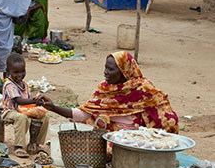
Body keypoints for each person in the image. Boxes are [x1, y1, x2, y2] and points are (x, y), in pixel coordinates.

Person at [38, 51, 179, 133]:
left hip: (137, 138)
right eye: (105, 68)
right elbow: (83, 114)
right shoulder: (105, 90)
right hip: (112, 133)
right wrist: (53, 107)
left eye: (110, 70)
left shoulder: (143, 89)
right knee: (85, 126)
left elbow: (167, 117)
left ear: (124, 72)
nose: (105, 72)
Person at [3, 53, 49, 158]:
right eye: (16, 72)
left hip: (24, 110)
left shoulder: (25, 85)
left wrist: (36, 101)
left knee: (44, 118)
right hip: (10, 111)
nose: (20, 74)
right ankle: (18, 146)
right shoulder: (9, 84)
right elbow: (18, 101)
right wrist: (33, 101)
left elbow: (28, 101)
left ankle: (35, 144)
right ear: (8, 71)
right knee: (22, 118)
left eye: (22, 71)